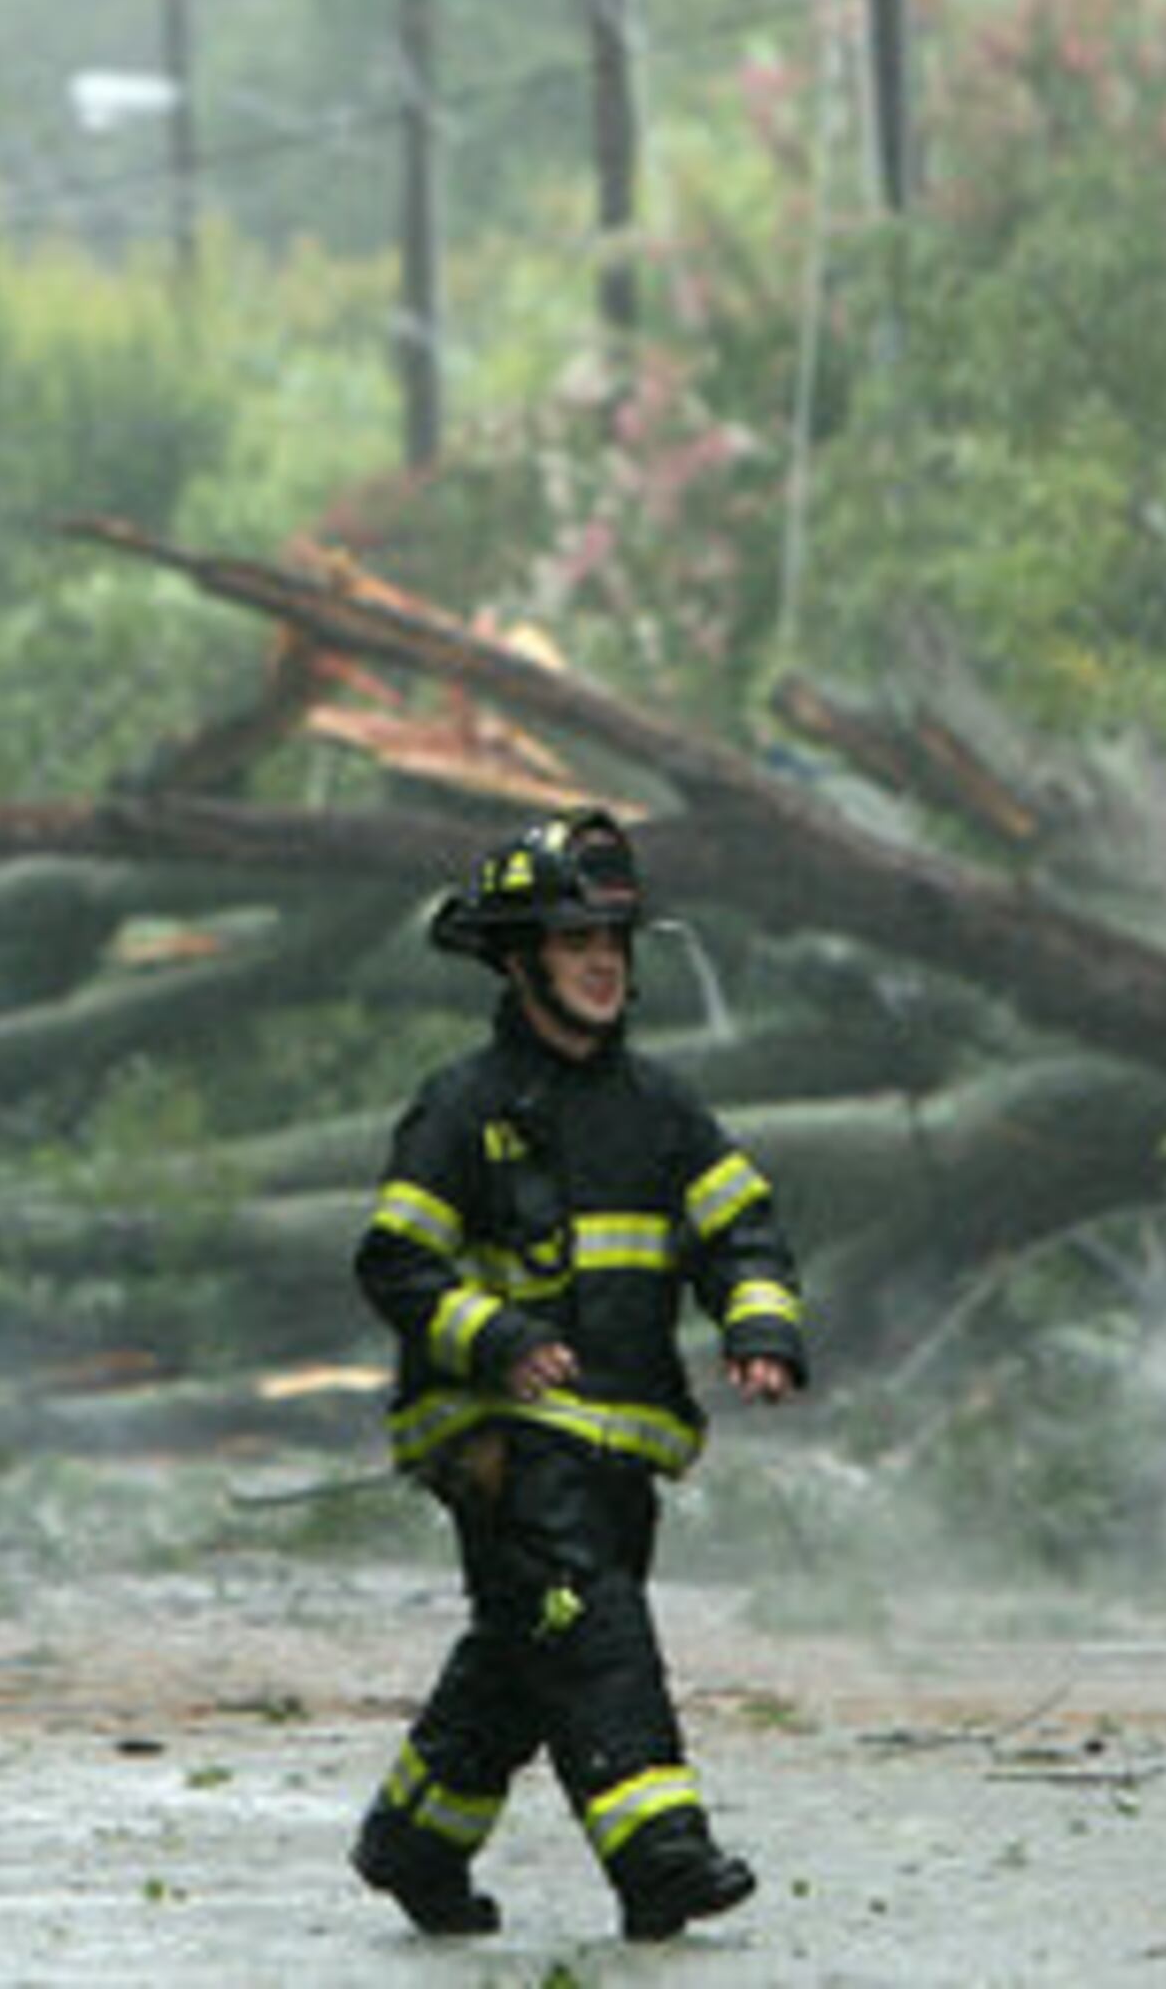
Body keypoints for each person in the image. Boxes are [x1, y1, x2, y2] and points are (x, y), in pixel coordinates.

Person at [345, 805, 810, 1943]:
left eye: (613, 941)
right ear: (516, 960)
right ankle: (659, 1851)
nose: (603, 962)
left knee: (525, 1649)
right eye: (573, 942)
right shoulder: (462, 1107)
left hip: (620, 1443)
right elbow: (395, 1259)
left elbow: (741, 1228)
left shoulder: (662, 1110)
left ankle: (416, 1837)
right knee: (592, 1623)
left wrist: (761, 1328)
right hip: (500, 1438)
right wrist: (496, 1339)